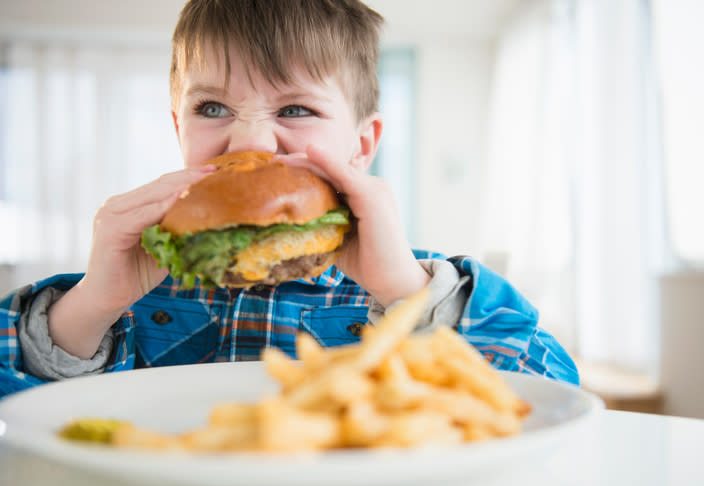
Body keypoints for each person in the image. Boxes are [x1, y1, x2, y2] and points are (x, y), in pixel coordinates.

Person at [0, 0, 578, 399]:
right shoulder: (127, 294)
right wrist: (89, 305)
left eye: (295, 109)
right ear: (179, 128)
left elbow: (551, 395)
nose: (249, 141)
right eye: (212, 108)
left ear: (361, 144)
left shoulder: (410, 282)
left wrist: (409, 295)